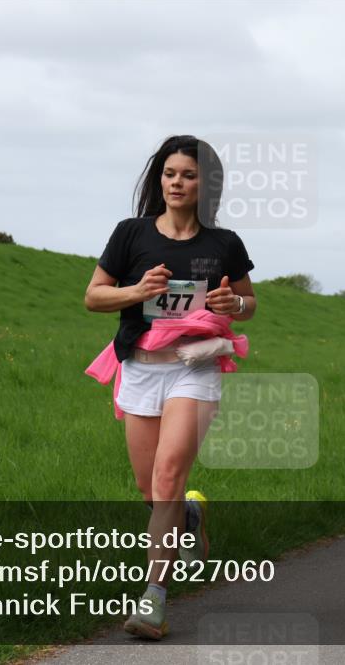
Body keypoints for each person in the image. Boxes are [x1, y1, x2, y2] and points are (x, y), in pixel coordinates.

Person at [83, 135, 257, 640]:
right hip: (139, 367)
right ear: (159, 179)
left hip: (195, 367)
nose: (176, 182)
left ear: (206, 184)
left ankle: (154, 600)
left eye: (187, 175)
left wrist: (233, 307)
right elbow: (93, 297)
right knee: (150, 489)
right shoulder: (131, 234)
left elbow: (249, 303)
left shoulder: (223, 244)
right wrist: (137, 292)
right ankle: (190, 515)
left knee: (166, 478)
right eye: (169, 173)